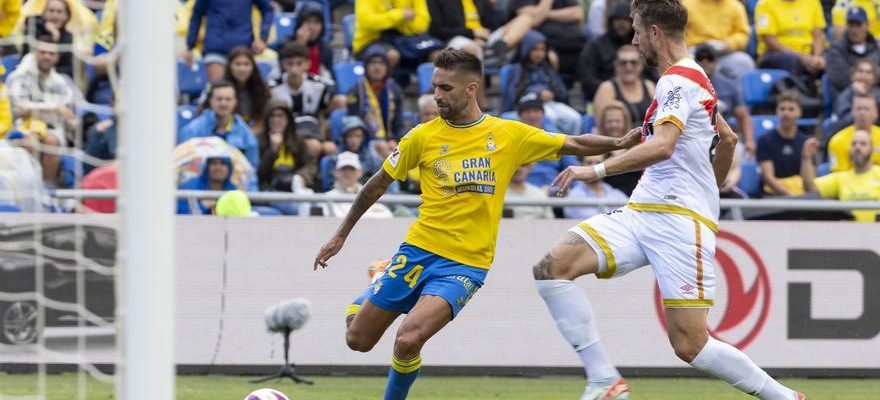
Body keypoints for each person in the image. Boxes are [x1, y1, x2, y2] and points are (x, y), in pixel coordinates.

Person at [313, 48, 641, 400]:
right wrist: (340, 234)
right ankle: (380, 277)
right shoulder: (421, 137)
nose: (437, 95)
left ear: (472, 88)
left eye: (446, 89)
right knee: (357, 340)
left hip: (466, 265)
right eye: (435, 87)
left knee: (408, 338)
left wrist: (618, 143)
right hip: (418, 250)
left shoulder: (508, 136)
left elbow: (573, 142)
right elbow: (377, 182)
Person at [533, 1, 806, 399]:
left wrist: (594, 170)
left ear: (655, 32)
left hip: (678, 222)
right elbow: (726, 139)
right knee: (551, 268)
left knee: (690, 346)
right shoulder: (695, 79)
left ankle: (782, 397)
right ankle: (605, 381)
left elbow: (663, 147)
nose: (634, 38)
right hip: (643, 211)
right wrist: (705, 192)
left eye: (637, 30)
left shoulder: (677, 80)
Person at [501, 30, 581, 135]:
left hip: (550, 103)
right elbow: (513, 94)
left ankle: (573, 149)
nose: (539, 54)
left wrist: (553, 93)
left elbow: (562, 91)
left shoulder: (547, 69)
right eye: (534, 49)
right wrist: (538, 94)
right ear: (526, 49)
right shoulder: (518, 69)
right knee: (549, 118)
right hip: (528, 105)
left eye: (542, 50)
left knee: (575, 118)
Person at [6, 35, 78, 148]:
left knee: (51, 141)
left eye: (51, 54)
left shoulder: (62, 81)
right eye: (43, 52)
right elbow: (20, 110)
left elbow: (68, 114)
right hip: (21, 126)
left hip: (52, 129)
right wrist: (55, 108)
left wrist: (36, 109)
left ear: (57, 57)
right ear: (34, 53)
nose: (46, 57)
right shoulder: (17, 77)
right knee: (29, 142)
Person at [426, 0, 542, 67]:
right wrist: (472, 33)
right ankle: (480, 103)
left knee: (526, 18)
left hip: (485, 39)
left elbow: (494, 24)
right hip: (457, 38)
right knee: (471, 48)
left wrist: (492, 7)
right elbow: (436, 31)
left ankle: (499, 48)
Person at [184, 0, 274, 83]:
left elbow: (267, 10)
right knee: (219, 90)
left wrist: (263, 38)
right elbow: (196, 14)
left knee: (242, 92)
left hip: (242, 49)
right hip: (216, 48)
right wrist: (190, 46)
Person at [179, 80, 260, 169]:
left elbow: (251, 170)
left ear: (235, 102)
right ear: (211, 101)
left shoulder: (246, 134)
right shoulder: (192, 131)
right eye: (219, 99)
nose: (223, 103)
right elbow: (183, 165)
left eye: (228, 99)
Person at [802, 130, 880, 222]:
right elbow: (810, 187)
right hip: (849, 233)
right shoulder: (841, 178)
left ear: (872, 149)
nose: (857, 147)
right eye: (854, 144)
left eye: (863, 144)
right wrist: (806, 158)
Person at [694, 45, 756, 156]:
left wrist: (749, 141)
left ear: (716, 62)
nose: (705, 63)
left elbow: (743, 116)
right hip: (694, 136)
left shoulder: (728, 84)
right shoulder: (686, 84)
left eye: (709, 59)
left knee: (741, 152)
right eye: (700, 59)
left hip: (722, 137)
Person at [578, 0, 640, 101]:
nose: (621, 24)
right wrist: (612, 91)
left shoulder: (639, 45)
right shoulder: (596, 46)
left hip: (638, 96)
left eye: (625, 20)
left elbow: (651, 75)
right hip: (604, 98)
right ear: (611, 22)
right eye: (617, 20)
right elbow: (587, 78)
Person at [508, 0, 586, 78]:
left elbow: (578, 14)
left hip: (576, 45)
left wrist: (544, 13)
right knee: (545, 55)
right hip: (546, 47)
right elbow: (537, 19)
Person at [347, 44, 405, 147]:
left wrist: (397, 141)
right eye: (372, 63)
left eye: (381, 63)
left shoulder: (395, 90)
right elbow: (355, 123)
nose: (377, 67)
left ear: (387, 67)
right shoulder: (355, 91)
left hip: (391, 142)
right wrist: (375, 141)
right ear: (366, 67)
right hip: (365, 142)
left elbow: (399, 123)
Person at [682, 0, 755, 82]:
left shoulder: (735, 6)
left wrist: (729, 44)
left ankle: (728, 94)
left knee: (744, 62)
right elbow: (677, 32)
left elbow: (742, 34)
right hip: (693, 52)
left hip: (722, 53)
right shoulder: (686, 5)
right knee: (679, 61)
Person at [755, 0, 827, 80]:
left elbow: (818, 35)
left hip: (810, 54)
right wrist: (801, 57)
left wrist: (816, 58)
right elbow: (770, 41)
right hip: (776, 54)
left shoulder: (812, 2)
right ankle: (792, 91)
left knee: (832, 58)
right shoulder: (765, 4)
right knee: (791, 59)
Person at [257, 99, 317, 193]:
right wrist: (273, 150)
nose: (276, 120)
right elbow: (258, 173)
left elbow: (310, 164)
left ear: (288, 118)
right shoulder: (259, 140)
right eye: (272, 116)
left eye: (280, 115)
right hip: (268, 189)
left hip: (294, 188)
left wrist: (301, 176)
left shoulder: (297, 139)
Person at [757, 91, 810, 196]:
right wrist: (790, 196)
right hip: (774, 196)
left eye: (791, 109)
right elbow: (768, 177)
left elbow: (809, 177)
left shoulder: (806, 141)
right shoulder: (765, 140)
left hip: (801, 195)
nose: (786, 113)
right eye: (782, 109)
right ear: (776, 112)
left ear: (799, 112)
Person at [592, 45, 655, 129]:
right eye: (623, 62)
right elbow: (601, 126)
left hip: (648, 139)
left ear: (641, 65)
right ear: (616, 65)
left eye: (633, 62)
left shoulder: (649, 86)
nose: (628, 67)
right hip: (618, 140)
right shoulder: (607, 88)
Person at [826, 6, 880, 99]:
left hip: (876, 98)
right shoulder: (836, 49)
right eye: (851, 24)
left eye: (858, 24)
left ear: (867, 25)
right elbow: (840, 78)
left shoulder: (876, 48)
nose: (854, 29)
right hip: (847, 99)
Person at [321, 151, 394, 218]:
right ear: (336, 172)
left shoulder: (371, 193)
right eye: (343, 169)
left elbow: (387, 215)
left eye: (352, 169)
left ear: (360, 172)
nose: (347, 173)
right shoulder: (327, 197)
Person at [217, 46, 271, 134]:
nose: (242, 69)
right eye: (237, 64)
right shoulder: (218, 88)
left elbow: (261, 119)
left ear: (253, 66)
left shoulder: (261, 88)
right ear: (229, 66)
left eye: (246, 64)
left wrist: (248, 137)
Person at [595, 101, 642, 195]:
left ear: (625, 122)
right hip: (606, 199)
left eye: (617, 121)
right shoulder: (596, 147)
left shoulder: (636, 144)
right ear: (603, 123)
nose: (613, 125)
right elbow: (591, 172)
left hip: (634, 196)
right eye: (609, 121)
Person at [562, 155, 629, 220]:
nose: (594, 167)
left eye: (598, 163)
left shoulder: (617, 194)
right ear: (581, 166)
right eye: (589, 163)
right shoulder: (573, 196)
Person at [20, 0, 74, 78]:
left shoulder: (68, 37)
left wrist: (56, 40)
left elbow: (68, 69)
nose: (55, 15)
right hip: (30, 75)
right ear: (44, 13)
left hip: (56, 80)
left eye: (59, 12)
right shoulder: (33, 28)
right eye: (51, 11)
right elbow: (28, 57)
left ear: (66, 16)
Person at [828, 91, 880, 171]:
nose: (862, 112)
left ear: (876, 112)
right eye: (859, 108)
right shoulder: (838, 141)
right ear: (852, 112)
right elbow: (839, 175)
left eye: (867, 109)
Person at [291, 1, 334, 82]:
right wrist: (300, 46)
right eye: (308, 22)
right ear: (300, 23)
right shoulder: (285, 45)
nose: (312, 27)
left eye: (316, 23)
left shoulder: (325, 49)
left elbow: (332, 81)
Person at [831, 58, 880, 124]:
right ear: (853, 75)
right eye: (860, 71)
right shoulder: (845, 95)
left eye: (868, 72)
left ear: (874, 78)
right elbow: (844, 119)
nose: (864, 75)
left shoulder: (878, 94)